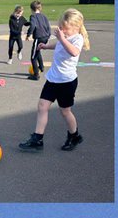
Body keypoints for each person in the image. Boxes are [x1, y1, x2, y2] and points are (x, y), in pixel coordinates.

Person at [18, 9, 88, 152]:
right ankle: (37, 139)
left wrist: (62, 38)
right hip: (53, 79)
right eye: (61, 27)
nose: (62, 30)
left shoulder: (77, 38)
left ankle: (74, 135)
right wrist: (46, 46)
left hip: (67, 82)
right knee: (42, 106)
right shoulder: (66, 37)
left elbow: (74, 52)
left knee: (65, 111)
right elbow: (59, 45)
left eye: (65, 28)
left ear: (76, 27)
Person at [26, 0, 51, 80]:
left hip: (38, 38)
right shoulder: (44, 16)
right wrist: (48, 35)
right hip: (46, 37)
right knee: (37, 51)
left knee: (33, 57)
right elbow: (48, 26)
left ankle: (36, 75)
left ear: (32, 9)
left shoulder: (33, 16)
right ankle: (41, 67)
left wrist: (28, 34)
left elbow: (32, 25)